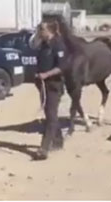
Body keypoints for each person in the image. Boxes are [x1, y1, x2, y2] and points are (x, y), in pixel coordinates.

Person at [33, 20, 68, 161]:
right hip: (43, 86)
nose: (39, 31)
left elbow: (62, 67)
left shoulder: (58, 45)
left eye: (41, 29)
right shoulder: (42, 45)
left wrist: (46, 74)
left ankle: (44, 148)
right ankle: (58, 141)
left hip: (54, 85)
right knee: (49, 114)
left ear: (50, 31)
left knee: (51, 115)